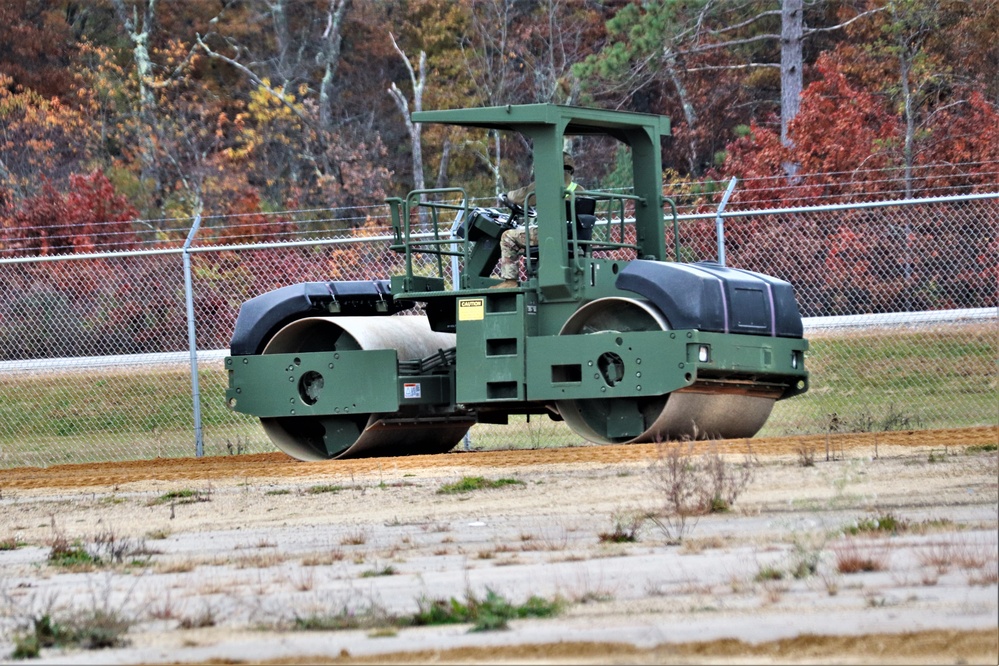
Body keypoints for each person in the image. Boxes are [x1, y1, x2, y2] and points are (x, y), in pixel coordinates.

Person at [492, 152, 583, 288]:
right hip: (574, 237)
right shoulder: (579, 189)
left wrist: (507, 195)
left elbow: (521, 196)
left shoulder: (547, 184)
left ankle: (510, 281)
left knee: (508, 237)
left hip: (549, 235)